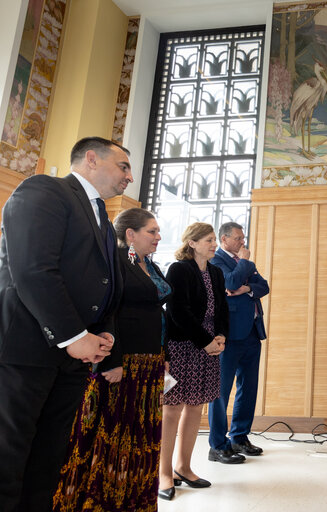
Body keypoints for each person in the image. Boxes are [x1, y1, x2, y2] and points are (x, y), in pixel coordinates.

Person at [0, 136, 131, 511]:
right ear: (91, 159)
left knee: (48, 459)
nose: (129, 176)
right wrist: (74, 335)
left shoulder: (103, 218)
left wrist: (102, 332)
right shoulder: (44, 189)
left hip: (72, 358)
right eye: (123, 166)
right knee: (8, 456)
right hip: (26, 350)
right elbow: (34, 270)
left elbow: (104, 281)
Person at [52, 208, 171, 511]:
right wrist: (111, 361)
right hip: (123, 360)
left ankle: (134, 498)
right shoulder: (117, 260)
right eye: (152, 231)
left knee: (140, 432)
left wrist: (164, 355)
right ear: (130, 235)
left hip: (149, 361)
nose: (159, 237)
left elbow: (158, 313)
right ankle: (104, 500)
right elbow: (108, 312)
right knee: (115, 431)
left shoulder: (147, 264)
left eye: (158, 231)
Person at [159, 222, 229, 501]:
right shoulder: (179, 269)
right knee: (172, 408)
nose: (214, 244)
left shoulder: (216, 272)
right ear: (193, 243)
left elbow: (222, 309)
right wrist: (206, 341)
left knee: (196, 407)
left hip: (210, 346)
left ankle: (184, 467)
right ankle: (164, 473)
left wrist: (221, 337)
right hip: (182, 346)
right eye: (209, 240)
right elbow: (177, 311)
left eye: (214, 240)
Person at [208, 222, 269, 461]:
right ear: (224, 240)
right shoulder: (217, 261)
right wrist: (244, 264)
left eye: (243, 237)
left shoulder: (244, 262)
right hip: (229, 335)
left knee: (248, 387)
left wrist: (247, 289)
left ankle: (240, 437)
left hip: (253, 332)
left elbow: (264, 286)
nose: (243, 242)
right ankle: (218, 444)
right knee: (221, 391)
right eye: (238, 238)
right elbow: (230, 283)